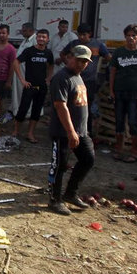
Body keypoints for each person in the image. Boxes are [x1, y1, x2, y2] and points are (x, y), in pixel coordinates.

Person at [47, 45, 95, 215]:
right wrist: (70, 132)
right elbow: (60, 106)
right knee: (59, 165)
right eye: (79, 60)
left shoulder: (78, 77)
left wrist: (81, 130)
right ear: (69, 58)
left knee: (88, 159)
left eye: (85, 61)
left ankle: (70, 193)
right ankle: (54, 200)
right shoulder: (61, 78)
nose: (81, 64)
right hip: (63, 132)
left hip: (81, 131)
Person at [109, 24, 137, 162]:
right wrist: (111, 91)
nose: (131, 38)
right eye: (128, 36)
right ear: (125, 37)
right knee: (119, 121)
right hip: (119, 91)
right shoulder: (119, 52)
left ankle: (134, 151)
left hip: (134, 93)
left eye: (133, 35)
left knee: (133, 122)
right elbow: (112, 72)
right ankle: (119, 149)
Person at [61, 23, 111, 137]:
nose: (81, 37)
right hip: (73, 80)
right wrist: (69, 65)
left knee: (85, 107)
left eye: (84, 35)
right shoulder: (74, 44)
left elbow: (109, 58)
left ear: (90, 34)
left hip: (88, 82)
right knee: (70, 105)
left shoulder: (98, 45)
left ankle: (85, 132)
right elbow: (63, 54)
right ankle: (69, 130)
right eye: (79, 35)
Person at [12, 29, 53, 143]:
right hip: (29, 86)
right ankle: (15, 131)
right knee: (23, 109)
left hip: (42, 87)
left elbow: (51, 65)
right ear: (36, 38)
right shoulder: (29, 51)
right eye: (39, 36)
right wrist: (22, 80)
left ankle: (30, 133)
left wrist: (49, 78)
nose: (41, 39)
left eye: (44, 37)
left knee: (36, 111)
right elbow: (16, 62)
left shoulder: (48, 53)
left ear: (47, 39)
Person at [10, 23, 38, 117]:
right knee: (19, 91)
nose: (22, 32)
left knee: (27, 92)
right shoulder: (25, 40)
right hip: (20, 70)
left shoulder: (35, 40)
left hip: (28, 72)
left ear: (30, 31)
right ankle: (18, 110)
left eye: (24, 30)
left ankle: (28, 113)